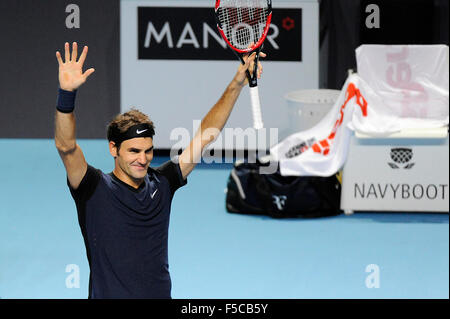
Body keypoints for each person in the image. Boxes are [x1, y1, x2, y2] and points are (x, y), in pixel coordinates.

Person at [54, 42, 264, 298]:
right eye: (133, 151)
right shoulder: (92, 188)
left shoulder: (163, 182)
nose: (143, 159)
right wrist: (66, 95)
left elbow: (205, 136)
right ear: (113, 149)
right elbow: (66, 146)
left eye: (148, 150)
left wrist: (237, 84)